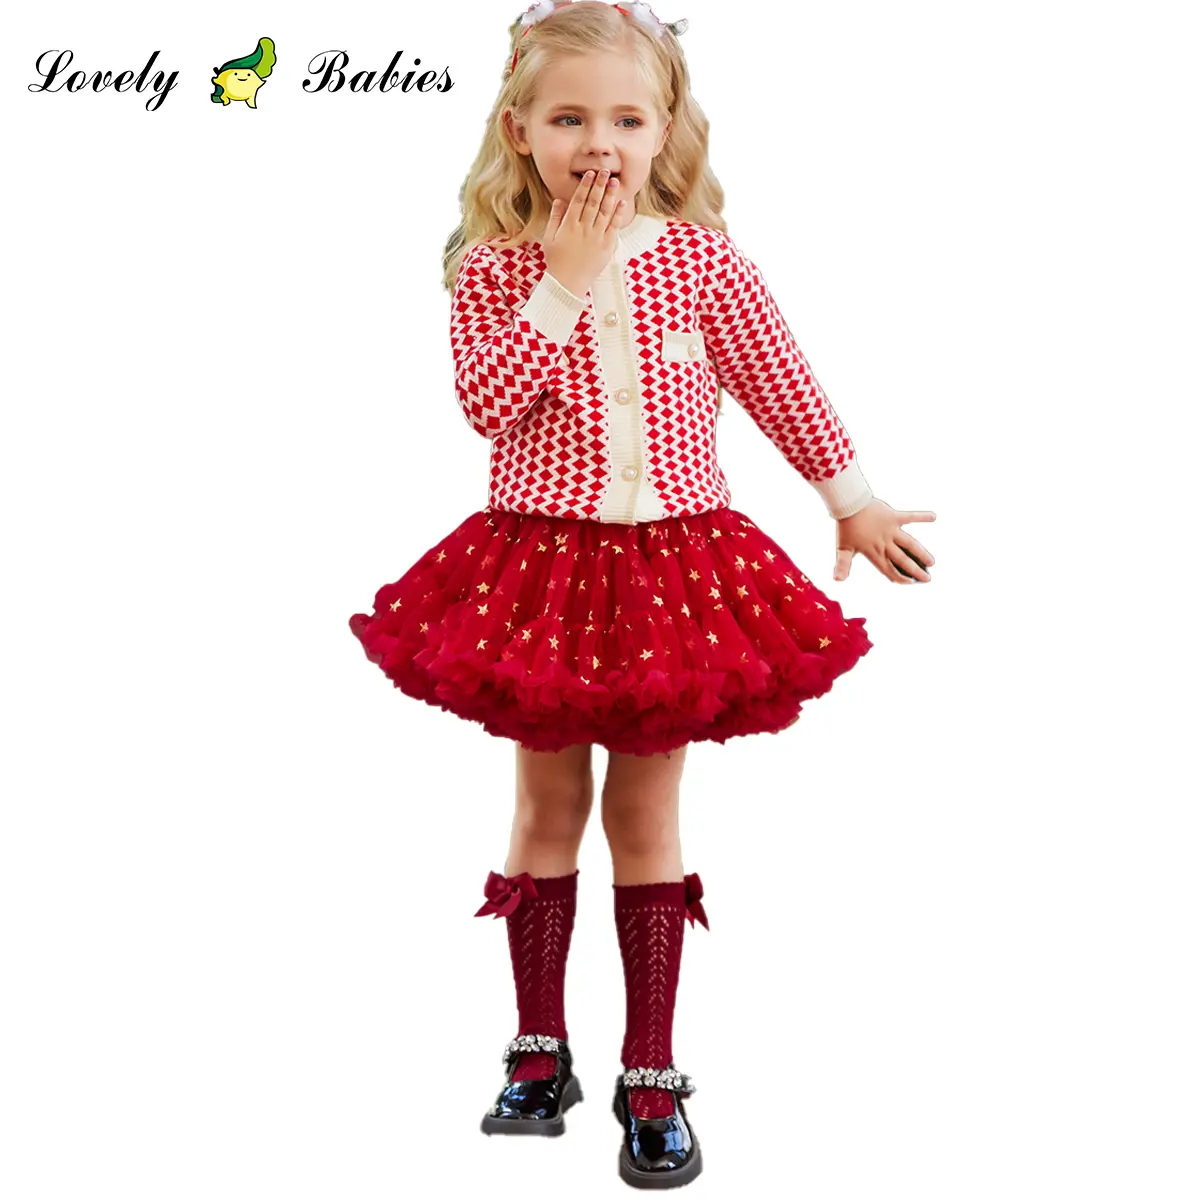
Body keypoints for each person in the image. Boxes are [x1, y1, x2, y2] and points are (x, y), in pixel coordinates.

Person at [348, 0, 936, 1187]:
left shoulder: (703, 261)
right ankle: (538, 1049)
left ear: (666, 129)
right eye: (570, 118)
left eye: (626, 118)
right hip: (540, 576)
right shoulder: (495, 267)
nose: (599, 143)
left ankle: (651, 1066)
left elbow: (778, 378)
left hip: (673, 573)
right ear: (520, 131)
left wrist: (854, 500)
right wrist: (562, 281)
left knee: (647, 817)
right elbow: (486, 406)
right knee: (546, 807)